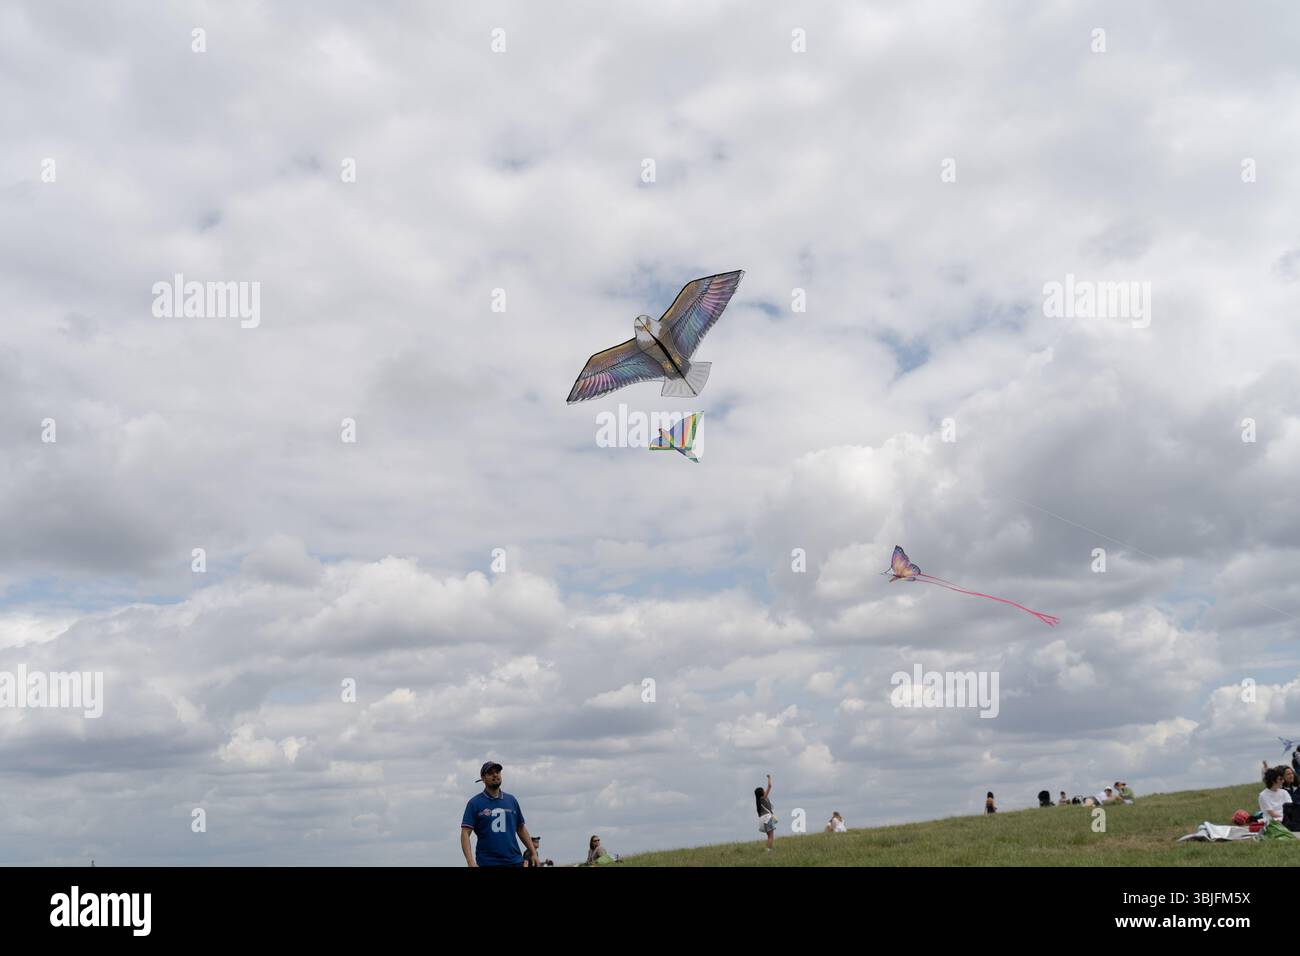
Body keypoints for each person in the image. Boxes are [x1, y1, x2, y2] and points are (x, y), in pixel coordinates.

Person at [460, 761, 539, 868]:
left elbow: (521, 828)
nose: (495, 775)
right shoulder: (475, 803)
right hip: (488, 862)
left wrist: (533, 852)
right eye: (490, 773)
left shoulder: (511, 800)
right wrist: (470, 862)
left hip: (515, 861)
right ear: (483, 778)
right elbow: (465, 833)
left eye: (497, 772)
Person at [756, 774, 777, 850]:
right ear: (761, 793)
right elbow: (770, 786)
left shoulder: (759, 801)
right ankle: (768, 850)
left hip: (762, 819)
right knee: (771, 836)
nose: (765, 790)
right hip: (767, 818)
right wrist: (769, 778)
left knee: (769, 836)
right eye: (763, 790)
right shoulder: (763, 798)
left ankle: (768, 849)